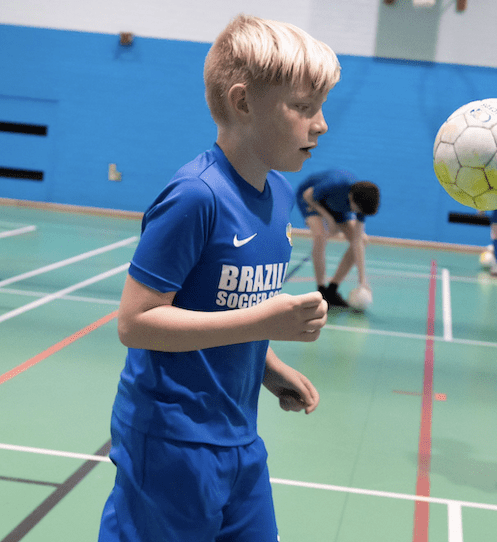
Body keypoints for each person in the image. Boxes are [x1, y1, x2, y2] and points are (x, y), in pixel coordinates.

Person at [97, 15, 340, 542]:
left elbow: (216, 307)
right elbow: (136, 322)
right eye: (302, 107)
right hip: (170, 439)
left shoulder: (278, 196)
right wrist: (264, 321)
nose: (320, 124)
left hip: (238, 436)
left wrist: (269, 366)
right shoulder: (196, 196)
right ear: (243, 102)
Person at [296, 169, 380, 307]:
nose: (357, 214)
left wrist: (362, 279)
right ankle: (321, 290)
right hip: (311, 199)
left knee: (362, 240)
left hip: (336, 206)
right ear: (351, 198)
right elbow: (307, 195)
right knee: (320, 235)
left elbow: (357, 240)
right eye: (356, 210)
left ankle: (332, 290)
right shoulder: (334, 184)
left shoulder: (361, 203)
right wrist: (329, 219)